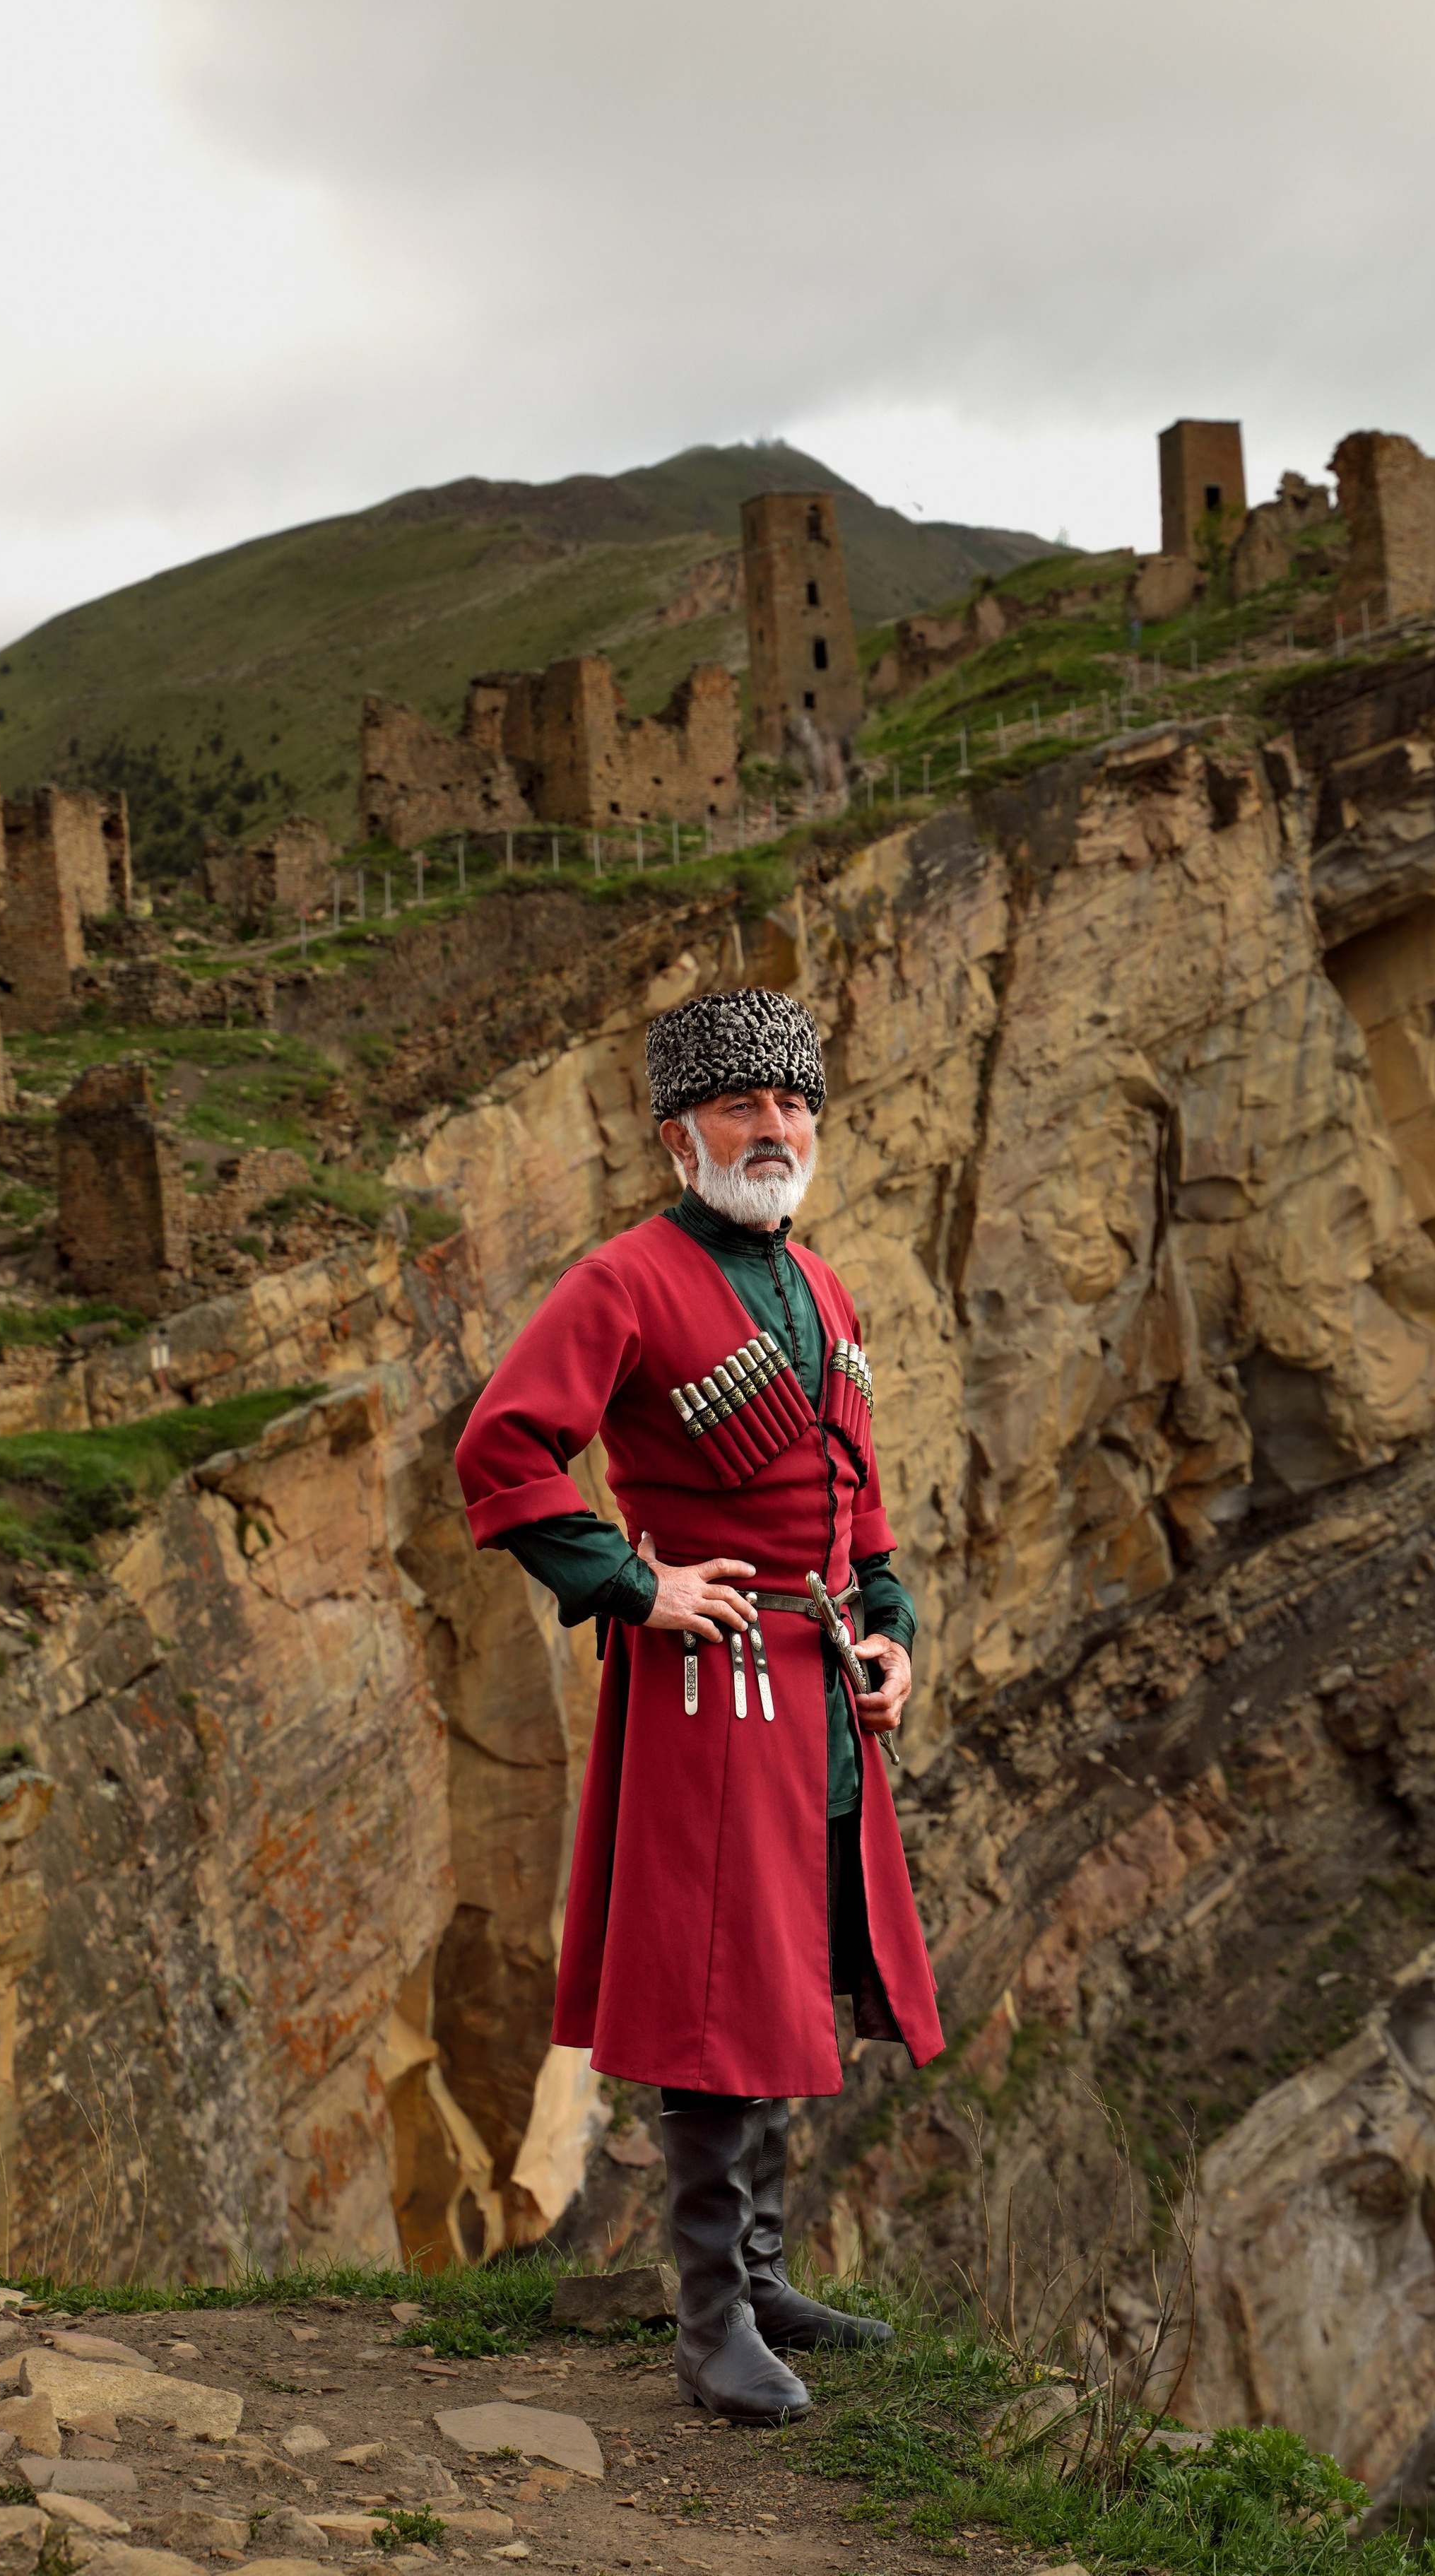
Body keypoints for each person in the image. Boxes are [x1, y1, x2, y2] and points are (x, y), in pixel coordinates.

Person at [455, 987, 943, 2423]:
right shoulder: (623, 1282)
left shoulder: (824, 1285)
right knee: (720, 1985)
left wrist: (893, 1633)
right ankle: (711, 2315)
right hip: (705, 1686)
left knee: (788, 1961)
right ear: (681, 1137)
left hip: (816, 1684)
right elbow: (505, 1451)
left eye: (793, 1107)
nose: (775, 1131)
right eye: (742, 1108)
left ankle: (770, 2271)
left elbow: (858, 1510)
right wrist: (628, 1583)